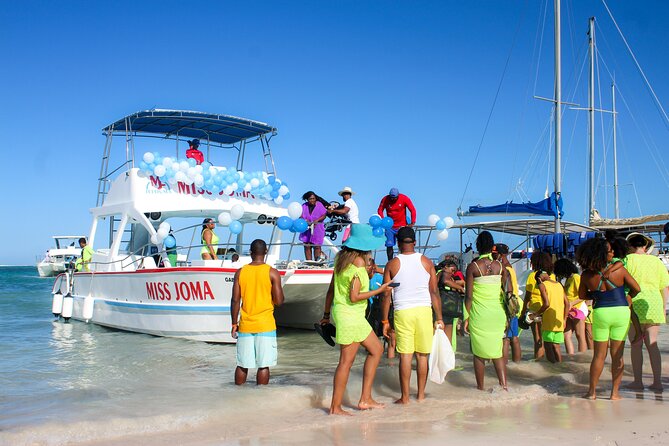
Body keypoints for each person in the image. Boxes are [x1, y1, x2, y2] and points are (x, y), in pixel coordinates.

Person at [319, 224, 390, 415]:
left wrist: (326, 316)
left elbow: (331, 290)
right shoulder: (359, 262)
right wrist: (380, 290)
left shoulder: (340, 261)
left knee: (376, 349)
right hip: (351, 316)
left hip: (345, 314)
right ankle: (335, 407)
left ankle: (365, 399)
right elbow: (355, 296)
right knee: (345, 362)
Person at [381, 226, 443, 403]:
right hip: (424, 310)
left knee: (406, 356)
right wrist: (438, 317)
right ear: (415, 242)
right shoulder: (427, 262)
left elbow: (386, 294)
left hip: (403, 311)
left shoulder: (392, 264)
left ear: (398, 243)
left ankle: (405, 398)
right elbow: (434, 292)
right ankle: (421, 395)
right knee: (422, 355)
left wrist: (385, 320)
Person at [576, 237, 641, 400]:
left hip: (601, 313)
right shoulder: (619, 270)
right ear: (602, 254)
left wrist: (596, 294)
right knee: (617, 356)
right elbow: (637, 288)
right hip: (621, 312)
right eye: (610, 250)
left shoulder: (586, 275)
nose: (612, 252)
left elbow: (582, 295)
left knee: (598, 356)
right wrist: (629, 297)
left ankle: (592, 392)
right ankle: (615, 393)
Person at [230, 239, 285, 385]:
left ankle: (237, 396)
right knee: (263, 365)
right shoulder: (272, 273)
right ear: (265, 252)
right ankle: (261, 399)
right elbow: (279, 301)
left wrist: (234, 323)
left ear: (250, 252)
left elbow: (235, 300)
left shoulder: (240, 272)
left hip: (246, 325)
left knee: (242, 364)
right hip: (265, 325)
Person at [624, 232, 669, 392]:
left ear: (630, 246)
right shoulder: (656, 261)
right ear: (645, 246)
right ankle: (657, 382)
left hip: (634, 303)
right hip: (654, 304)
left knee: (636, 345)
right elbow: (664, 286)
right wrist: (663, 308)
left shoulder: (627, 260)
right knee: (652, 344)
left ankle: (638, 381)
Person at [465, 231, 508, 390]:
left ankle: (480, 388)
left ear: (477, 246)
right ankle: (503, 386)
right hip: (497, 313)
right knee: (497, 350)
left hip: (479, 313)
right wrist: (507, 316)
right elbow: (507, 293)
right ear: (492, 247)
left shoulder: (473, 267)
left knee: (478, 352)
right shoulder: (501, 267)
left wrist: (466, 317)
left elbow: (468, 297)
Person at [521, 252, 556, 360]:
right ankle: (551, 362)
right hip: (549, 309)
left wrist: (523, 312)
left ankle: (539, 362)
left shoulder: (533, 275)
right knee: (548, 338)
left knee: (538, 339)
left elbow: (527, 297)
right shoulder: (552, 276)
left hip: (536, 310)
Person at [534, 263, 569, 363]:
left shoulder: (542, 285)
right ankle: (559, 367)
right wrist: (564, 319)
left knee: (548, 346)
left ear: (539, 278)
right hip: (559, 320)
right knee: (556, 346)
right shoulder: (558, 284)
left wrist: (535, 314)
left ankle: (552, 369)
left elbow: (546, 304)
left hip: (549, 320)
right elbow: (567, 304)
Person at [494, 244, 522, 363]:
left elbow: (506, 289)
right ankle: (517, 364)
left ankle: (504, 366)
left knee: (505, 339)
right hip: (514, 303)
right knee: (514, 337)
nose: (493, 256)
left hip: (506, 305)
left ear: (500, 254)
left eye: (495, 254)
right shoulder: (510, 267)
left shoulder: (503, 268)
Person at [555, 258, 587, 354]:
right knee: (566, 335)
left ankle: (582, 357)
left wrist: (571, 303)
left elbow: (583, 295)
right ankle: (571, 357)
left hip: (578, 308)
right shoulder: (569, 279)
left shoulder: (576, 277)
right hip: (569, 310)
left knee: (579, 335)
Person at [377, 188, 417, 262]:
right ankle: (390, 262)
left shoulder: (404, 198)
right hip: (390, 227)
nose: (393, 199)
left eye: (395, 198)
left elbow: (412, 210)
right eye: (391, 197)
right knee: (389, 245)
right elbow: (380, 209)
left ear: (398, 196)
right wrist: (383, 220)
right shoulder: (385, 199)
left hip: (401, 226)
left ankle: (403, 262)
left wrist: (412, 222)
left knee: (402, 244)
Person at [299, 191, 328, 261]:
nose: (312, 200)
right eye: (310, 199)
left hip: (318, 228)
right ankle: (309, 262)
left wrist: (317, 220)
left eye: (313, 198)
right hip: (306, 228)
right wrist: (305, 221)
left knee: (317, 246)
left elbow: (324, 215)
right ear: (307, 199)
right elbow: (300, 215)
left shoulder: (319, 204)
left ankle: (317, 262)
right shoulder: (304, 206)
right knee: (307, 245)